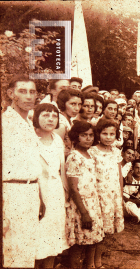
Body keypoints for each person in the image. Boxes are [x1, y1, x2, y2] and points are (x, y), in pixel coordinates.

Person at [2, 75, 44, 268]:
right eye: (23, 91)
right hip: (11, 193)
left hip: (31, 191)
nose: (29, 96)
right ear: (11, 94)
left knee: (27, 249)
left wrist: (40, 196)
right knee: (12, 251)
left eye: (32, 92)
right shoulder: (5, 123)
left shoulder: (27, 122)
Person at [33, 104, 69, 267]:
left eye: (54, 116)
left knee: (53, 237)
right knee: (36, 235)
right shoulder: (31, 138)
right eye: (46, 115)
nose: (50, 119)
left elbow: (61, 169)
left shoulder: (57, 140)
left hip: (55, 191)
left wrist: (65, 191)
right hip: (36, 189)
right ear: (36, 117)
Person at [66, 121, 105, 268]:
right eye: (84, 135)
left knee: (93, 240)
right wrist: (84, 212)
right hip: (80, 205)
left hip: (93, 203)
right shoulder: (74, 157)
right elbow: (74, 189)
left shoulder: (89, 155)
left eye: (90, 135)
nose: (88, 138)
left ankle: (90, 266)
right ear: (76, 137)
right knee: (79, 243)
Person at [88, 119, 124, 266]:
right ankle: (89, 263)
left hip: (113, 195)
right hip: (99, 196)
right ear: (98, 134)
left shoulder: (116, 151)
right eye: (104, 134)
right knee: (96, 232)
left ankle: (98, 261)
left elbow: (119, 175)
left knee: (107, 231)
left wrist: (120, 195)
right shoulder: (92, 151)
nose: (108, 137)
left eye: (112, 134)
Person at [55, 88, 82, 156]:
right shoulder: (61, 124)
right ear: (63, 104)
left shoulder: (68, 120)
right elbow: (56, 151)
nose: (77, 108)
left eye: (79, 104)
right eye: (73, 104)